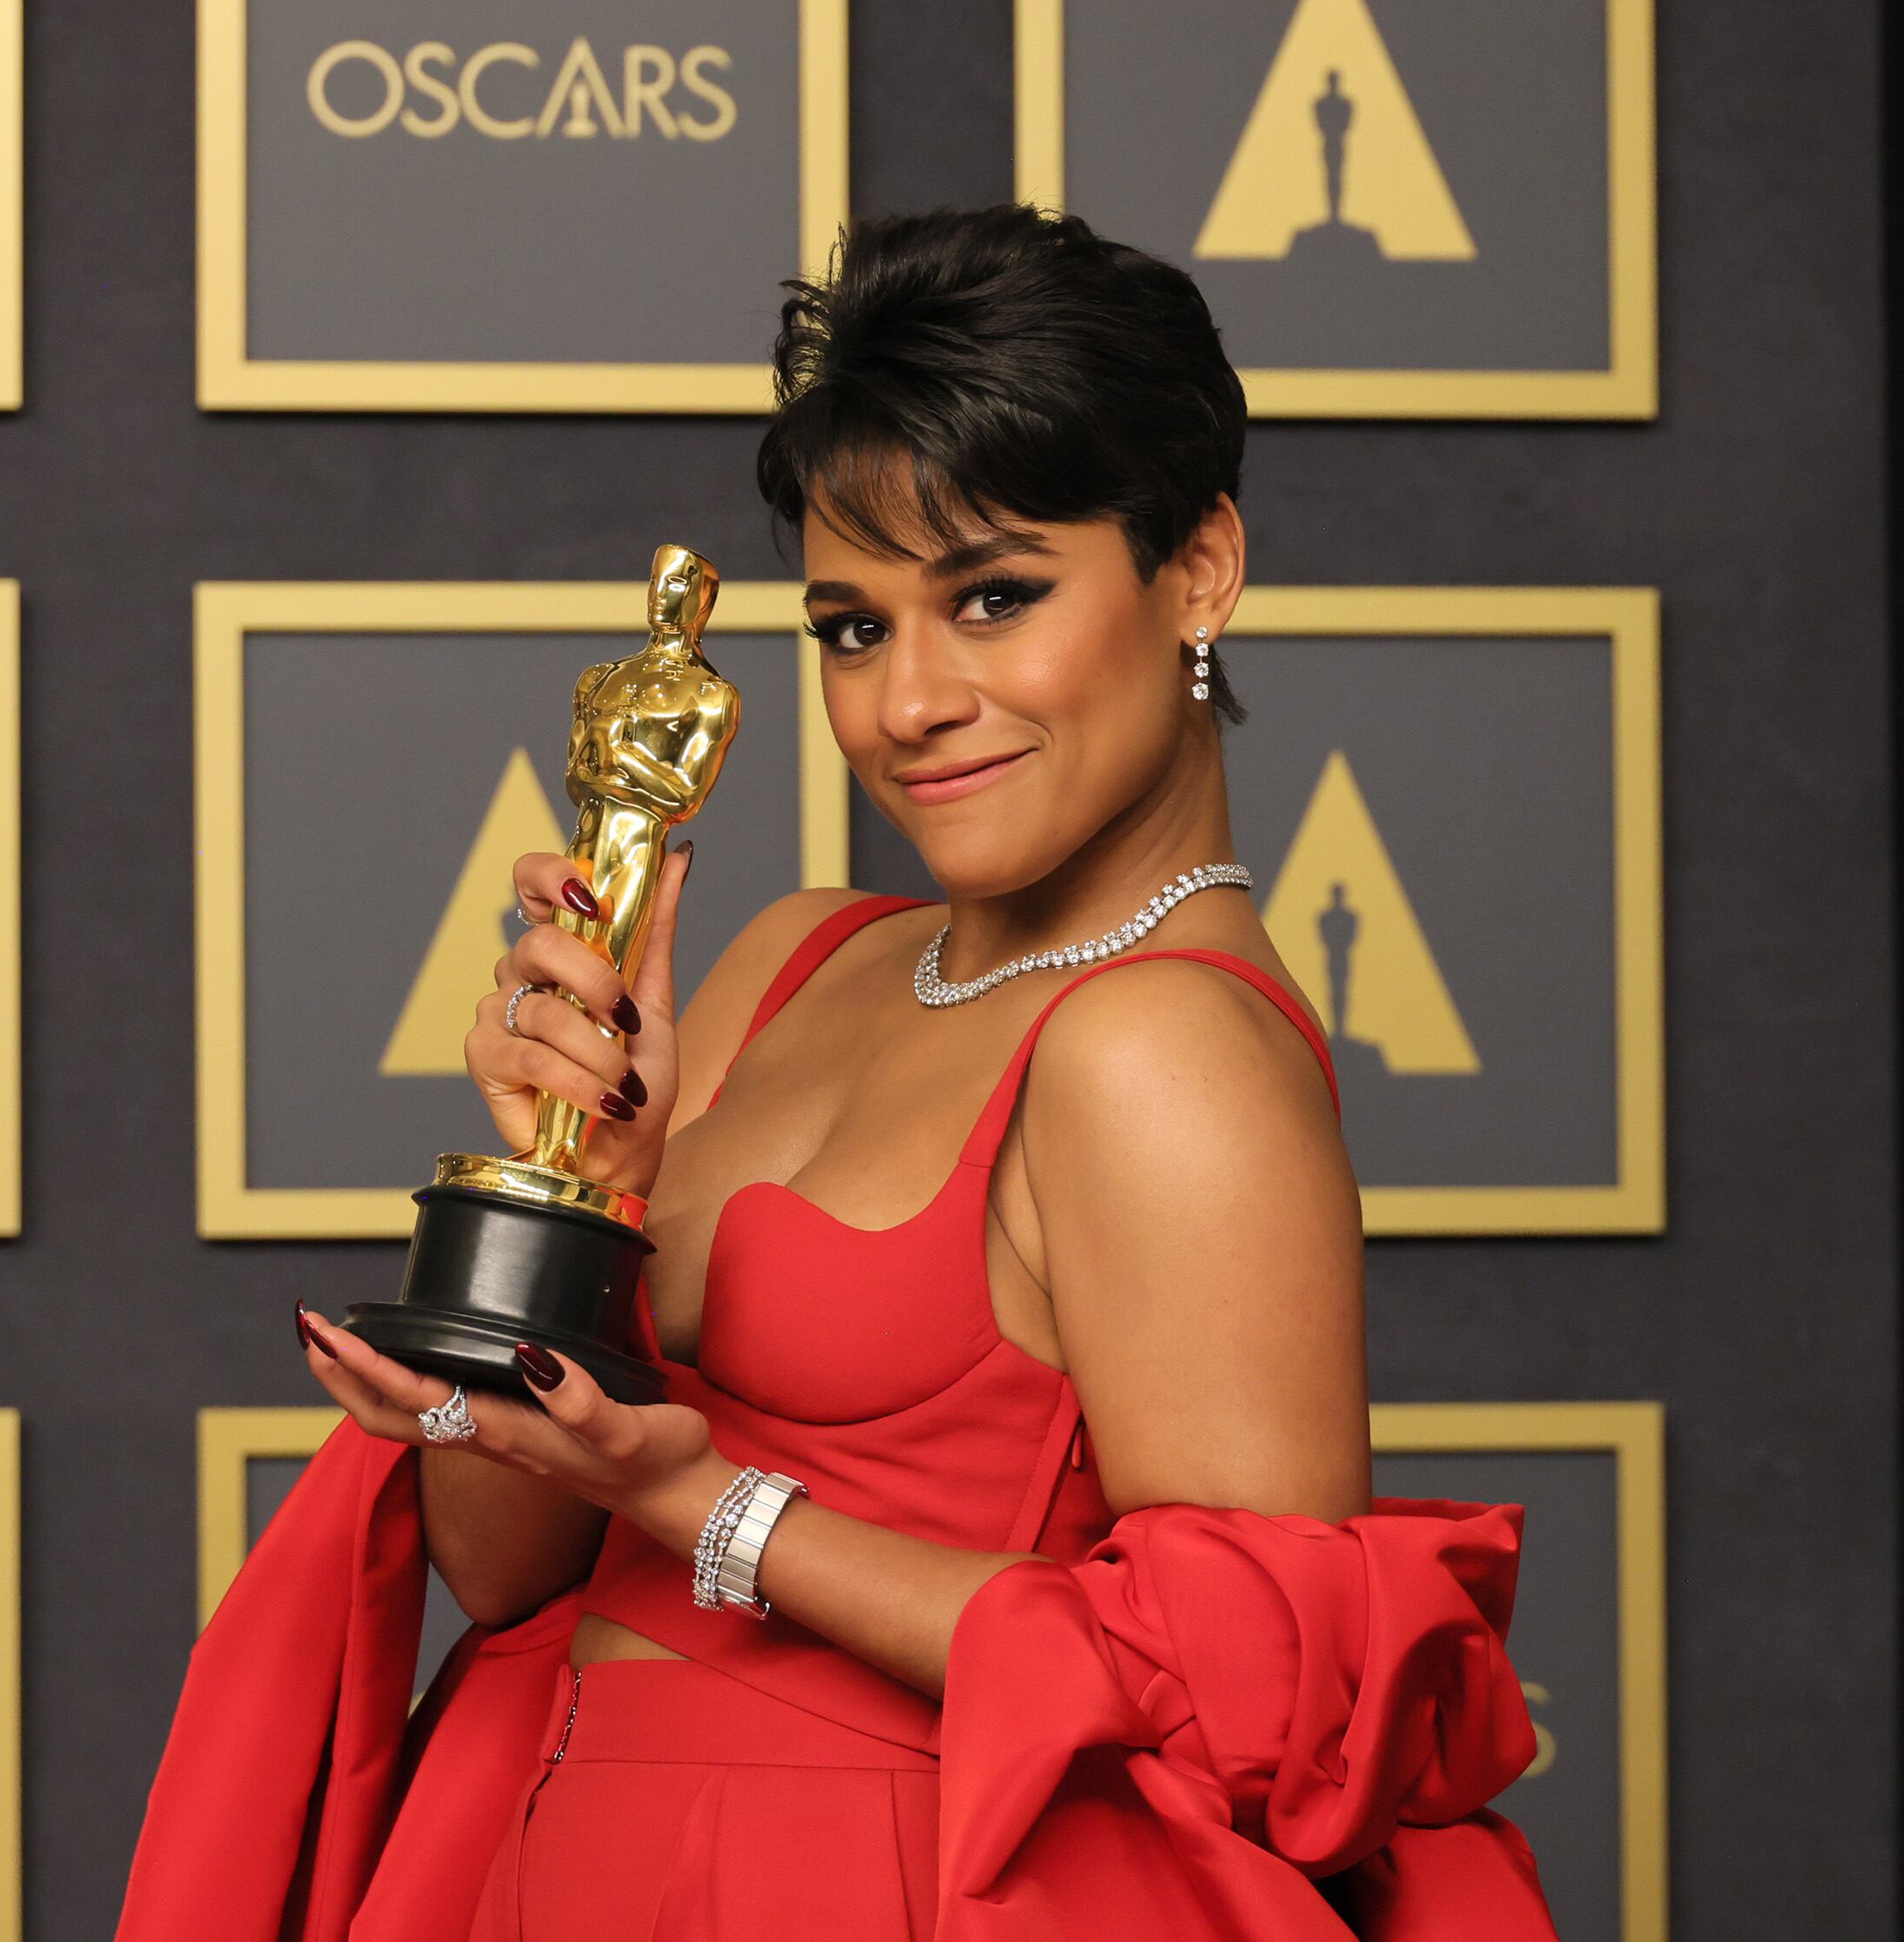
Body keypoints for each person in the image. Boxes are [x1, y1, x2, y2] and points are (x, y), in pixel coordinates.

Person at [118, 205, 1557, 1942]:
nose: (910, 702)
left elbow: (1261, 1713)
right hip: (545, 1847)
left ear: (1200, 568)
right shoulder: (794, 955)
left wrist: (702, 1501)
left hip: (888, 1882)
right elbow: (505, 1569)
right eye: (853, 627)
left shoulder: (1163, 1050)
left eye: (997, 596)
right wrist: (574, 1174)